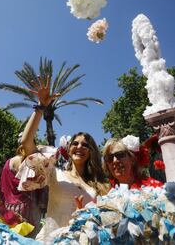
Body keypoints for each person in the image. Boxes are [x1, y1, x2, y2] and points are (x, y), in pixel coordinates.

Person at [15, 76, 109, 239]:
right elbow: (26, 143)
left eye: (85, 145)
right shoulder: (55, 173)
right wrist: (41, 108)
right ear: (68, 148)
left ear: (91, 151)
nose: (80, 147)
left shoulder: (99, 185)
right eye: (75, 143)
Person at [0, 132, 48, 237]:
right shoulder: (34, 163)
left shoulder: (8, 163)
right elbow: (42, 186)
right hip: (30, 209)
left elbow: (3, 187)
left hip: (10, 208)